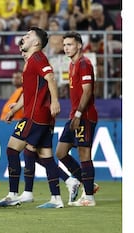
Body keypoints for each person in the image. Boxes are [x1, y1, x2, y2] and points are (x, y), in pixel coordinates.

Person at [0, 27, 64, 209]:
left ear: (36, 43)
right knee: (46, 156)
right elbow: (28, 93)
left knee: (12, 149)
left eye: (28, 36)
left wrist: (55, 101)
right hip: (41, 116)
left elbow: (51, 78)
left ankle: (15, 194)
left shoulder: (38, 58)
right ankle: (56, 198)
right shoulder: (32, 61)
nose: (24, 37)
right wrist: (14, 109)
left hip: (35, 116)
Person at [56, 31, 99, 207]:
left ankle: (89, 197)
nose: (66, 48)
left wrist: (79, 115)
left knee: (84, 153)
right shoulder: (72, 65)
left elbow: (87, 91)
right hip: (74, 115)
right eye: (65, 45)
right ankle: (88, 184)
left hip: (85, 116)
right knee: (60, 152)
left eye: (70, 44)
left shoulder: (84, 63)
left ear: (79, 45)